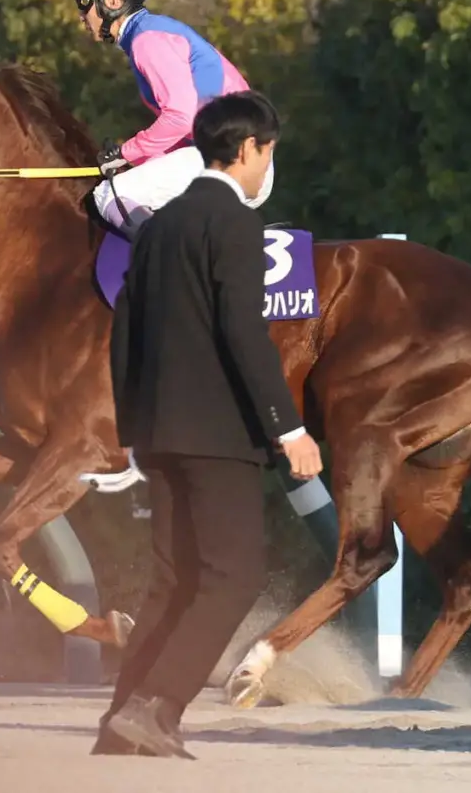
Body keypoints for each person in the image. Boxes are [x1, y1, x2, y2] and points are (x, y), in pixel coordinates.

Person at [93, 90, 324, 759]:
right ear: (248, 148)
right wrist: (289, 429)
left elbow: (124, 329)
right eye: (268, 152)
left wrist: (133, 425)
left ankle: (122, 724)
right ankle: (158, 705)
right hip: (219, 437)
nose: (267, 165)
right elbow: (244, 336)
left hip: (158, 433)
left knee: (173, 581)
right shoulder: (236, 225)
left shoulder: (158, 226)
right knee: (233, 576)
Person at [63, 0, 275, 235]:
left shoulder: (147, 41)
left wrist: (127, 152)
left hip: (232, 156)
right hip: (234, 153)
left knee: (110, 195)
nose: (81, 14)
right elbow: (188, 124)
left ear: (111, 0)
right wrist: (138, 159)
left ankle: (162, 259)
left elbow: (180, 117)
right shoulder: (150, 32)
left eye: (84, 1)